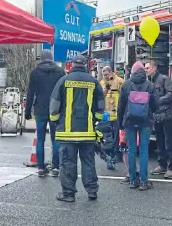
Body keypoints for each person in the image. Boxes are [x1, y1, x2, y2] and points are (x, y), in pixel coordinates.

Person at [49, 54, 105, 202]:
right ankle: (92, 191)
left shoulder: (63, 81)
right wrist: (95, 122)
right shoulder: (94, 82)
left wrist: (56, 123)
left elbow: (54, 107)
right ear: (86, 65)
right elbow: (100, 107)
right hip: (88, 132)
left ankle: (68, 194)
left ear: (72, 65)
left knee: (68, 163)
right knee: (88, 162)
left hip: (68, 133)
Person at [117, 61, 159, 190]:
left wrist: (120, 124)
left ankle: (132, 180)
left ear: (133, 71)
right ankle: (144, 181)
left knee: (131, 149)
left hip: (129, 121)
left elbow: (121, 106)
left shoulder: (126, 85)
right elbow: (156, 105)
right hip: (145, 121)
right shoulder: (150, 85)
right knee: (144, 150)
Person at [24, 50, 65, 177]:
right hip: (55, 108)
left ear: (41, 59)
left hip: (40, 108)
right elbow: (63, 92)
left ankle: (41, 167)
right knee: (55, 138)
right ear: (52, 58)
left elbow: (31, 93)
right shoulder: (60, 72)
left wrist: (27, 111)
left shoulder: (35, 72)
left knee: (40, 138)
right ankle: (56, 166)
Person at [145, 60, 172, 179]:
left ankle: (171, 168)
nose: (146, 70)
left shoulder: (164, 79)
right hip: (157, 115)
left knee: (169, 142)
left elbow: (171, 94)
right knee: (159, 141)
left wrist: (158, 101)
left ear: (154, 68)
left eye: (147, 68)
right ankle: (162, 165)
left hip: (167, 114)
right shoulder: (148, 82)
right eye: (145, 68)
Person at [99, 66, 124, 169]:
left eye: (106, 75)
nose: (105, 77)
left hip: (117, 114)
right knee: (108, 137)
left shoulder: (119, 81)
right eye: (103, 75)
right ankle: (110, 154)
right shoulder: (101, 83)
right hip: (106, 115)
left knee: (117, 136)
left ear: (111, 73)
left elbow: (123, 96)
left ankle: (118, 154)